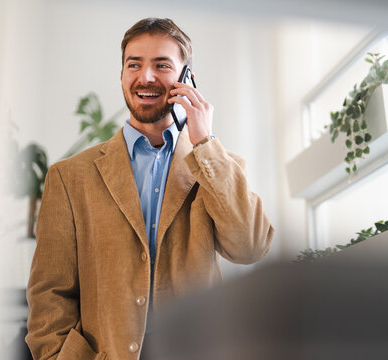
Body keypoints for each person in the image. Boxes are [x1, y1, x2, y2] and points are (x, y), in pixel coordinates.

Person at [26, 17, 273, 360]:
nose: (146, 77)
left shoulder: (218, 167)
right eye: (134, 64)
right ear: (122, 75)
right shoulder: (70, 178)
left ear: (188, 80)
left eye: (162, 65)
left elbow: (251, 247)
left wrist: (205, 143)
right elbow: (48, 297)